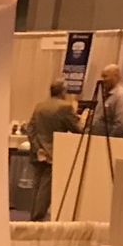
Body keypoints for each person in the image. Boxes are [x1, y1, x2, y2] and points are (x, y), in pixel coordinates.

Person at [25, 79, 81, 219]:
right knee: (46, 189)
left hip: (38, 152)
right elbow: (78, 129)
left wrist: (38, 148)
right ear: (63, 91)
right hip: (54, 153)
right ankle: (38, 218)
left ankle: (33, 218)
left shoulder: (40, 106)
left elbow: (30, 129)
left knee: (37, 187)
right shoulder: (65, 107)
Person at [91, 63, 123, 137]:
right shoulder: (103, 95)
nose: (103, 80)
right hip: (96, 139)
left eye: (105, 76)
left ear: (116, 77)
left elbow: (122, 125)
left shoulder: (121, 96)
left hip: (109, 141)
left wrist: (108, 139)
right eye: (102, 77)